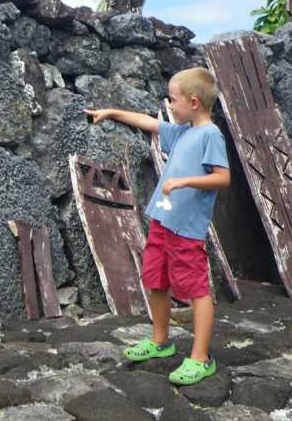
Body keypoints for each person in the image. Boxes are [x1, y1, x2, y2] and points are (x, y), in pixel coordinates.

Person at [83, 67, 230, 385]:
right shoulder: (184, 131)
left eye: (172, 99)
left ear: (193, 102)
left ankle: (201, 358)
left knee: (196, 290)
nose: (168, 104)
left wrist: (183, 181)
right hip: (163, 222)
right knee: (156, 279)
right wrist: (112, 112)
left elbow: (223, 177)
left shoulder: (210, 135)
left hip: (186, 229)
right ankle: (160, 341)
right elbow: (151, 123)